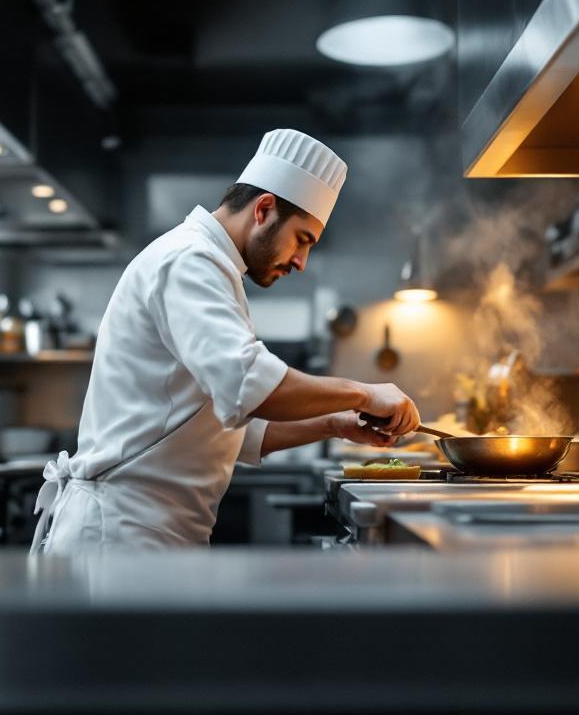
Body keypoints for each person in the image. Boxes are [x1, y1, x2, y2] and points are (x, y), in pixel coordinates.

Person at [32, 128, 421, 552]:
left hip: (147, 535)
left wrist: (336, 424)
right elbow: (246, 386)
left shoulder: (213, 266)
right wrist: (363, 394)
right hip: (121, 537)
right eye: (302, 239)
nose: (301, 262)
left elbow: (232, 431)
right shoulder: (190, 261)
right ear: (264, 209)